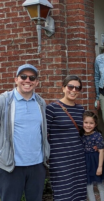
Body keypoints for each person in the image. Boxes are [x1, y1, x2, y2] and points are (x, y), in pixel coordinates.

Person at [0, 64, 50, 201]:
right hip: (12, 166)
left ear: (36, 82)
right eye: (23, 76)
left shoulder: (40, 102)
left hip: (37, 165)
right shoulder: (4, 101)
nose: (27, 80)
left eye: (32, 77)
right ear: (16, 79)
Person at [46, 75, 87, 200]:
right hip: (60, 159)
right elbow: (43, 134)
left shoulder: (80, 109)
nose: (74, 90)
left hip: (78, 158)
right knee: (63, 193)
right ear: (63, 88)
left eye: (77, 88)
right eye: (70, 86)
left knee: (79, 193)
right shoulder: (52, 108)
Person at [81, 111, 104, 201]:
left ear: (95, 124)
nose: (88, 125)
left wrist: (100, 167)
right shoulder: (80, 135)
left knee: (100, 185)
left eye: (91, 123)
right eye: (86, 122)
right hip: (85, 162)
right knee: (88, 186)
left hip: (96, 162)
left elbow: (101, 151)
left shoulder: (97, 136)